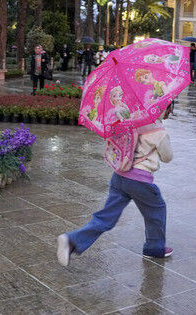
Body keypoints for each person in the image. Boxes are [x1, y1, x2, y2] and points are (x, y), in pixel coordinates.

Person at [57, 102, 176, 265]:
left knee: (106, 217)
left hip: (119, 175)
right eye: (170, 107)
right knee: (156, 210)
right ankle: (154, 248)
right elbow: (167, 157)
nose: (170, 111)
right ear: (165, 108)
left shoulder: (131, 120)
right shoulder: (159, 131)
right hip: (140, 180)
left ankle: (72, 240)